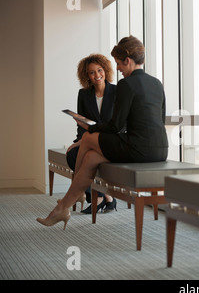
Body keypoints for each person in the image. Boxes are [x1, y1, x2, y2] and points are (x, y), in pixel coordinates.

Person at [37, 36, 169, 229]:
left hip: (138, 148)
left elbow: (115, 125)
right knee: (90, 158)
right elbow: (161, 118)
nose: (117, 69)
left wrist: (90, 127)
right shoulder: (156, 83)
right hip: (160, 149)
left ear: (128, 60)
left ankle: (78, 192)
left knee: (89, 138)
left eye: (118, 64)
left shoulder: (126, 84)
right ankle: (62, 209)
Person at [66, 54, 118, 214]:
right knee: (72, 154)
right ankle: (105, 196)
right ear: (86, 76)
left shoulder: (117, 92)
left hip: (109, 140)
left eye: (99, 70)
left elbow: (118, 124)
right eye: (92, 72)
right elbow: (82, 125)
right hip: (89, 139)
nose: (97, 75)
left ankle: (98, 198)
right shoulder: (84, 94)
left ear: (105, 70)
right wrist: (80, 141)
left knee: (89, 157)